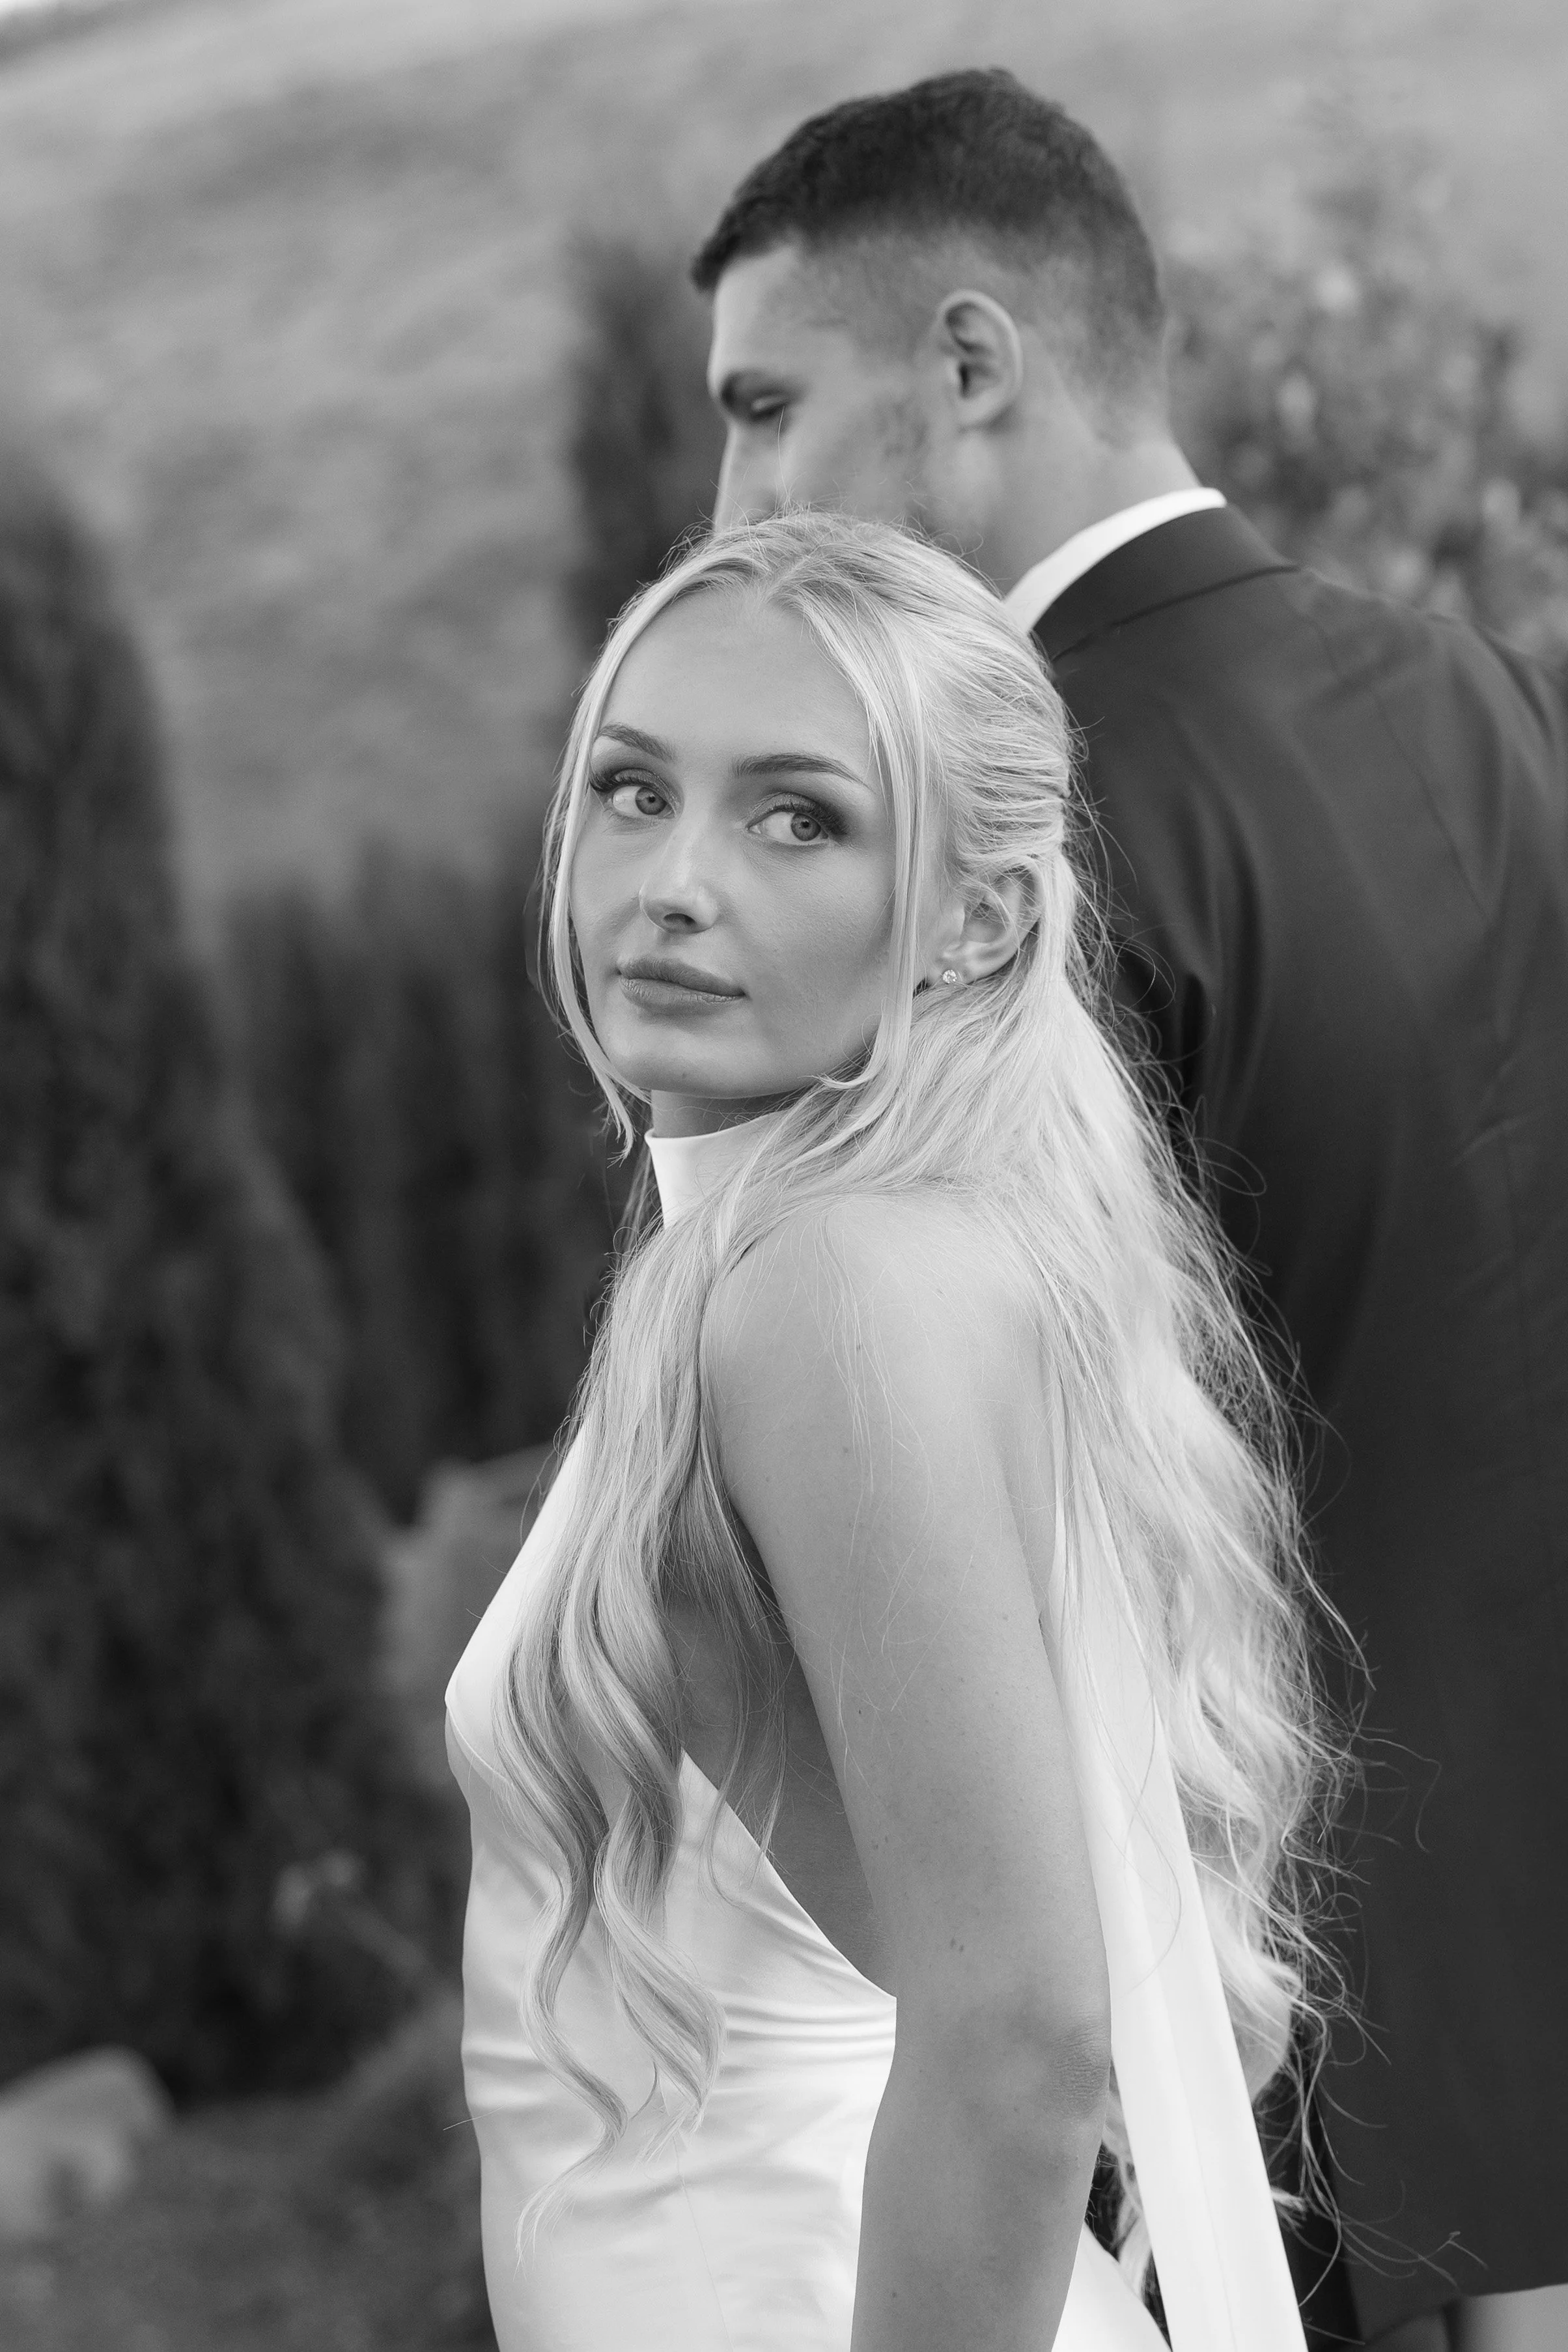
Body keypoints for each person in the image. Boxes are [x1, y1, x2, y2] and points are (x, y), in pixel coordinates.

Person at [690, 70, 1568, 2352]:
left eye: (767, 409)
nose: (734, 499)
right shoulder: (1491, 703)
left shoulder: (1001, 865)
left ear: (971, 364)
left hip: (1271, 2080)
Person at [445, 512, 1343, 2350]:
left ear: (977, 916)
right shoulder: (820, 1255)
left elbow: (1020, 2034)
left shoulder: (826, 1288)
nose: (673, 882)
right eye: (632, 790)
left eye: (799, 819)